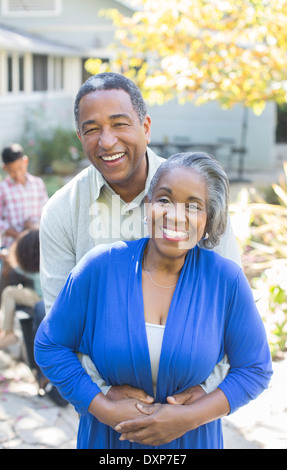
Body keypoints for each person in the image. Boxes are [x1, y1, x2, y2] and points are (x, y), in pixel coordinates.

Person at [35, 152, 272, 449]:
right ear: (147, 206)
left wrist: (193, 416)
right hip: (110, 441)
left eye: (193, 206)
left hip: (193, 441)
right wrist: (102, 407)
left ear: (208, 219)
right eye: (164, 200)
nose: (175, 215)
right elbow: (50, 345)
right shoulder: (99, 268)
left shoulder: (226, 281)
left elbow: (255, 368)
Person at [39, 72, 240, 403]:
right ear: (79, 137)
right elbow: (58, 330)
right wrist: (103, 396)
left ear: (145, 127)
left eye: (119, 124)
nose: (106, 141)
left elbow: (231, 307)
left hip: (190, 406)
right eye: (92, 129)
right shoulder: (62, 211)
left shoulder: (199, 193)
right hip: (109, 415)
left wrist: (203, 394)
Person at [0, 143, 48, 249]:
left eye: (20, 168)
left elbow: (46, 212)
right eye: (12, 171)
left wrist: (34, 227)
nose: (17, 174)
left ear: (25, 161)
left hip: (36, 244)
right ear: (4, 168)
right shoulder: (2, 189)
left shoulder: (38, 184)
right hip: (11, 246)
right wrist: (17, 234)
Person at [0, 230, 42, 349]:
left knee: (9, 292)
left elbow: (15, 264)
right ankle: (5, 332)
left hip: (39, 298)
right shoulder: (44, 261)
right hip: (44, 296)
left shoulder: (28, 267)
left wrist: (6, 255)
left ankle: (8, 332)